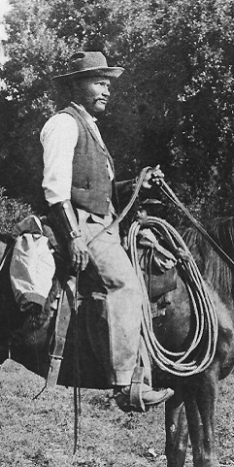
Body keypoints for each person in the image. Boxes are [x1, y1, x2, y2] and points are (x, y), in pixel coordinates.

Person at [41, 51, 173, 411]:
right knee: (124, 285)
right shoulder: (63, 125)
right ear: (75, 85)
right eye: (99, 82)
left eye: (108, 84)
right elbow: (55, 190)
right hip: (84, 225)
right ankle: (124, 384)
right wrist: (73, 237)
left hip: (106, 225)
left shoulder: (90, 127)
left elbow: (98, 190)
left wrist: (137, 184)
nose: (107, 91)